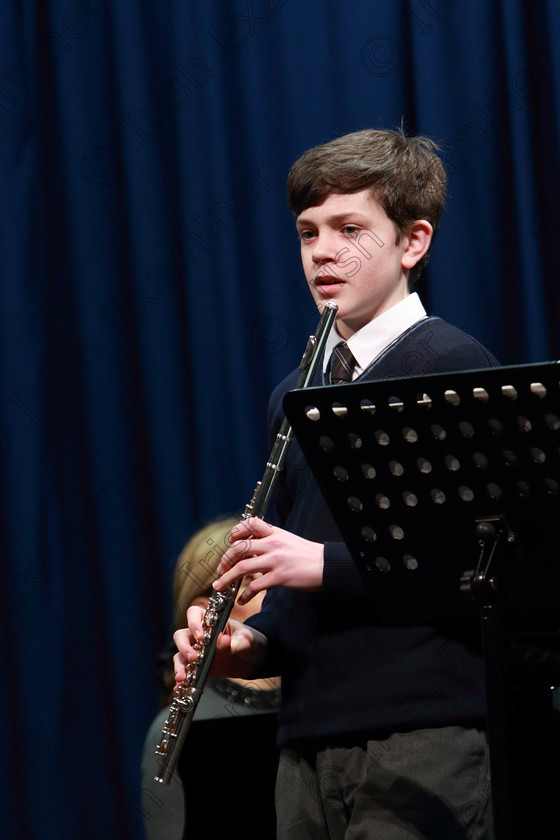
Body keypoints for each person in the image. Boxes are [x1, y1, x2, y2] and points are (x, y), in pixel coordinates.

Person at [174, 128, 499, 839]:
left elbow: (481, 564)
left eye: (350, 229)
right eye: (307, 231)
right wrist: (251, 646)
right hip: (309, 736)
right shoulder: (295, 391)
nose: (321, 252)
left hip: (420, 730)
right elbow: (303, 605)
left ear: (413, 243)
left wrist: (314, 563)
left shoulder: (446, 363)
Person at [141, 516, 280, 840]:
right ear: (206, 611)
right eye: (251, 582)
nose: (275, 592)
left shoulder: (319, 700)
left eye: (272, 577)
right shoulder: (185, 725)